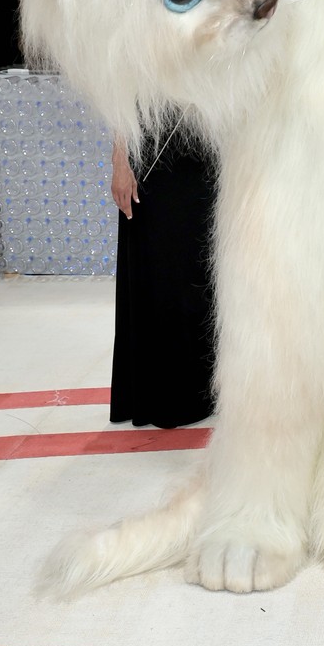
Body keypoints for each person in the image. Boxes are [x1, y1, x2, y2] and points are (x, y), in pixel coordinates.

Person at [110, 125, 218, 429]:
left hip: (211, 155)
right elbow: (120, 101)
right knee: (160, 273)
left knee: (204, 275)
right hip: (154, 156)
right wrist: (120, 162)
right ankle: (164, 398)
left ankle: (205, 391)